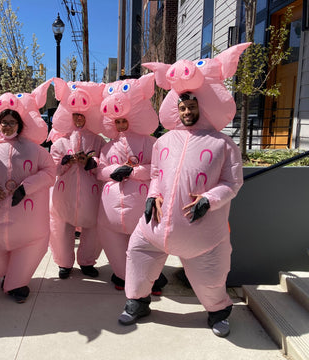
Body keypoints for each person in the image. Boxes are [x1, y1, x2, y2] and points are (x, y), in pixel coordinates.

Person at [118, 43, 249, 338]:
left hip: (201, 231)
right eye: (183, 107)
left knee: (211, 278)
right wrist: (152, 196)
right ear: (176, 109)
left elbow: (233, 183)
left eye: (192, 107)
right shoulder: (164, 141)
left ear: (202, 107)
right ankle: (137, 302)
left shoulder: (223, 144)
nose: (187, 111)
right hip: (155, 226)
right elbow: (155, 175)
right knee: (137, 255)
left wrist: (209, 199)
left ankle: (218, 312)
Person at [0, 82, 56, 303]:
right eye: (3, 122)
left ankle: (16, 281)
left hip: (27, 219)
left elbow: (50, 172)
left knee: (30, 246)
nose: (7, 126)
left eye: (12, 122)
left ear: (20, 124)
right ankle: (9, 275)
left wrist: (27, 187)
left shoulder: (35, 150)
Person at [96, 76, 166, 294]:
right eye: (117, 121)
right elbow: (100, 170)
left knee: (145, 244)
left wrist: (133, 171)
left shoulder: (151, 142)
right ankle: (123, 274)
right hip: (111, 207)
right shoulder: (108, 147)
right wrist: (113, 172)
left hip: (139, 204)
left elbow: (159, 168)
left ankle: (147, 279)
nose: (120, 124)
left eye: (124, 120)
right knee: (115, 244)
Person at [48, 79, 106, 279]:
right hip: (65, 193)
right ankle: (64, 263)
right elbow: (53, 168)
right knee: (62, 228)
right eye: (75, 116)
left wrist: (90, 163)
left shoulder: (98, 140)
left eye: (82, 116)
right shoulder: (59, 141)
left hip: (91, 193)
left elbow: (103, 163)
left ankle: (87, 261)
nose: (79, 119)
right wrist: (65, 161)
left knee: (92, 229)